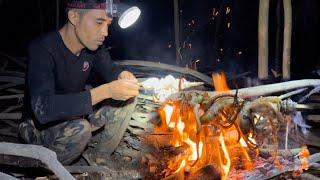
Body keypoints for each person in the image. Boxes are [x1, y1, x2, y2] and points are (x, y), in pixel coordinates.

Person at [18, 0, 140, 165]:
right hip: (39, 126)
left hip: (76, 116)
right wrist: (106, 91)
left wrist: (122, 75)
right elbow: (43, 110)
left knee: (129, 97)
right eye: (99, 22)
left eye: (108, 25)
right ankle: (46, 168)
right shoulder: (43, 49)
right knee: (81, 129)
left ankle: (98, 155)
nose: (105, 32)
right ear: (74, 17)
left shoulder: (93, 48)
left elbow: (111, 70)